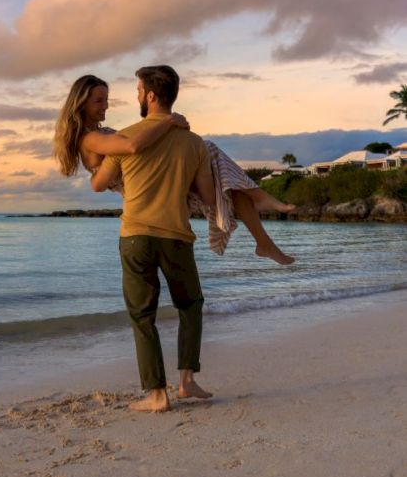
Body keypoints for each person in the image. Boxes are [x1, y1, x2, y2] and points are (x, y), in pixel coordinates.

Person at [53, 75, 295, 265]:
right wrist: (168, 121)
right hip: (149, 189)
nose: (105, 106)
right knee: (209, 150)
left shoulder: (99, 133)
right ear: (81, 103)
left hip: (152, 181)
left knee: (229, 184)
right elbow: (131, 145)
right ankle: (261, 201)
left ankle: (263, 240)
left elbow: (131, 144)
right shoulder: (89, 139)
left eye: (107, 100)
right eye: (99, 101)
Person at [91, 65, 215, 411]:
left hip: (135, 236)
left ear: (149, 95)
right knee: (190, 306)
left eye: (137, 90)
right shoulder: (194, 143)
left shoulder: (125, 138)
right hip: (176, 235)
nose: (136, 96)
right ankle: (186, 381)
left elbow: (99, 184)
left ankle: (157, 394)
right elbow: (206, 197)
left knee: (142, 316)